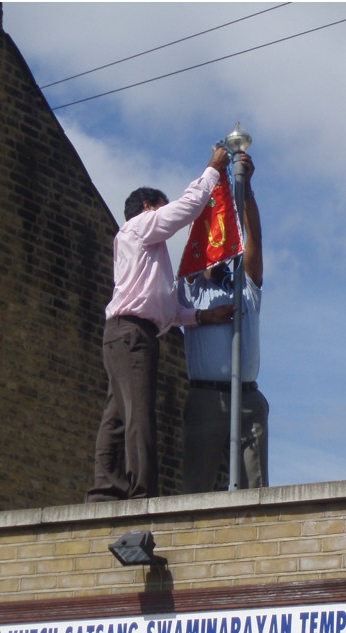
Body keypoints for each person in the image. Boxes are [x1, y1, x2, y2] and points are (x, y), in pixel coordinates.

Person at [87, 147, 236, 502]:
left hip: (132, 332)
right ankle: (142, 494)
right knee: (138, 412)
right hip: (131, 334)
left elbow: (165, 311)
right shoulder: (139, 227)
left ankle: (106, 488)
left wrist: (201, 316)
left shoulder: (147, 256)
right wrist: (212, 170)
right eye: (160, 207)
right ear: (149, 208)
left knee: (119, 415)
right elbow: (186, 208)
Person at [177, 152, 268, 492]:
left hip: (247, 398)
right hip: (206, 397)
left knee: (254, 490)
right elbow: (195, 228)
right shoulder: (189, 289)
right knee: (197, 488)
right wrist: (213, 173)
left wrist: (247, 192)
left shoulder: (245, 289)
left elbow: (254, 242)